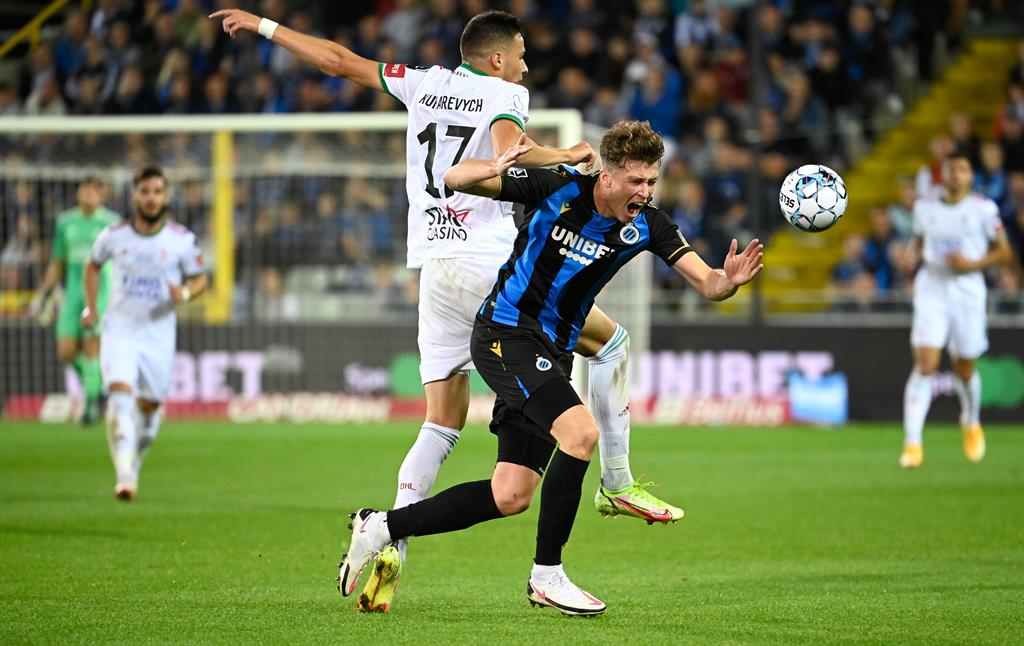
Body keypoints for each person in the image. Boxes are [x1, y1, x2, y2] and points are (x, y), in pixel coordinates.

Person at [211, 8, 685, 612]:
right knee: (609, 342)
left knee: (442, 419)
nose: (525, 67)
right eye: (520, 56)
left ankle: (389, 537)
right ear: (497, 59)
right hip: (490, 265)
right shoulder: (506, 94)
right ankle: (616, 482)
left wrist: (262, 25)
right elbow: (512, 152)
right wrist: (570, 153)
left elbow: (338, 61)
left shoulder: (421, 82)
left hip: (435, 268)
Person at [338, 121, 764, 616]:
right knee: (580, 434)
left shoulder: (650, 225)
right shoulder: (558, 187)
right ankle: (547, 575)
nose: (645, 192)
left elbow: (709, 284)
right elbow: (454, 178)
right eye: (635, 181)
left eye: (651, 181)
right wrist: (498, 165)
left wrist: (729, 281)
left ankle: (380, 527)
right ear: (607, 175)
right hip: (505, 334)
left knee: (510, 495)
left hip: (553, 352)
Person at [82, 167, 208, 500]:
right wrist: (91, 308)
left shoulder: (181, 240)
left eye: (157, 192)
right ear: (133, 195)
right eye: (145, 191)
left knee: (150, 410)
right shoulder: (113, 236)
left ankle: (133, 463)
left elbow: (200, 279)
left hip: (158, 336)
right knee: (120, 396)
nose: (151, 198)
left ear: (166, 196)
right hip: (120, 330)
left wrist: (184, 293)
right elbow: (92, 265)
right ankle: (124, 475)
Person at [900, 152, 1012, 469]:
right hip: (932, 289)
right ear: (942, 175)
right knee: (925, 364)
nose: (956, 175)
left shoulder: (983, 209)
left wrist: (973, 264)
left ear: (970, 176)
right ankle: (912, 443)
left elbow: (1004, 253)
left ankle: (971, 420)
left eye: (962, 169)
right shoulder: (924, 208)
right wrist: (910, 256)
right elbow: (918, 243)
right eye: (951, 169)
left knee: (964, 368)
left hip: (967, 291)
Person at [30, 177, 120, 424]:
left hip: (99, 294)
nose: (88, 195)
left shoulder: (111, 223)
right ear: (78, 194)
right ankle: (97, 386)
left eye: (93, 191)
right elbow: (57, 262)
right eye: (84, 190)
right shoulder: (65, 222)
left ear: (101, 195)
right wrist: (43, 294)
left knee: (91, 347)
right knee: (66, 351)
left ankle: (90, 407)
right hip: (72, 295)